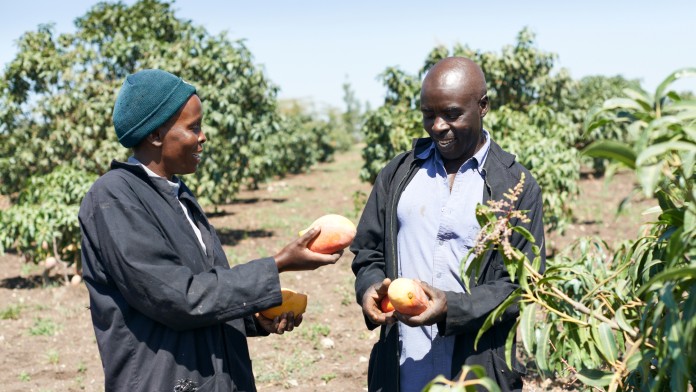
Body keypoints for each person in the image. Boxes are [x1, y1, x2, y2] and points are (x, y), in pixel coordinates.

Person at [79, 69, 341, 391]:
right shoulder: (114, 197)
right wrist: (278, 264)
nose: (203, 137)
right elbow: (177, 297)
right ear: (156, 135)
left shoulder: (177, 193)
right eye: (194, 128)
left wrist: (253, 318)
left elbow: (207, 288)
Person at [351, 57, 545, 392]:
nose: (438, 125)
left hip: (477, 369)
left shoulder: (515, 186)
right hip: (401, 366)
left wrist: (451, 308)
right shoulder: (398, 174)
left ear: (482, 106)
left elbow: (520, 287)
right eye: (429, 114)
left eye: (452, 114)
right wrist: (369, 290)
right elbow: (368, 251)